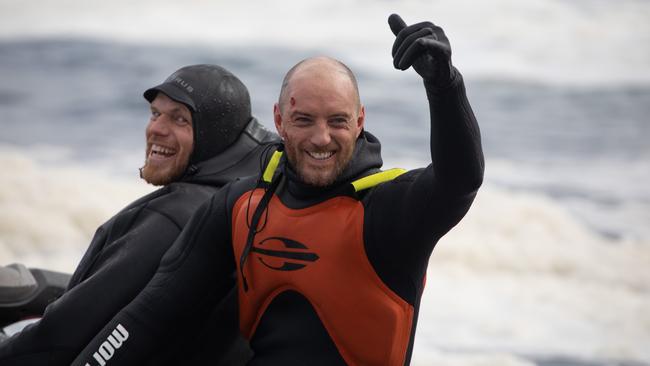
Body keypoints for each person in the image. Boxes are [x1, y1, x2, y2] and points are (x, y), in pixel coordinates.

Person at [72, 14, 484, 366]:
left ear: (359, 122)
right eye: (304, 120)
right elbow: (152, 316)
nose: (321, 138)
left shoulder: (389, 211)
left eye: (337, 121)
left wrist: (445, 85)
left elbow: (460, 179)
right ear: (279, 119)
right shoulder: (240, 205)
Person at [0, 64, 278, 365]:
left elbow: (57, 340)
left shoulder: (173, 218)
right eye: (155, 113)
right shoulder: (259, 202)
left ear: (213, 134)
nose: (156, 129)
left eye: (179, 119)